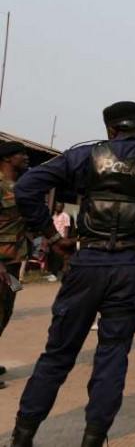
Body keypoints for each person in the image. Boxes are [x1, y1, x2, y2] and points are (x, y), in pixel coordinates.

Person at [10, 101, 135, 447]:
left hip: (86, 264)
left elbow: (26, 187)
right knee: (112, 356)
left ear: (110, 129)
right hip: (131, 268)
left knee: (58, 354)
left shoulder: (85, 156)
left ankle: (22, 437)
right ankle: (93, 439)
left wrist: (53, 237)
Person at [0, 141, 30, 391]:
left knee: (5, 310)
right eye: (22, 154)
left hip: (12, 262)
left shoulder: (18, 187)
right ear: (8, 158)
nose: (26, 158)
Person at [46, 202, 70, 282]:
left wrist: (65, 239)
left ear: (63, 207)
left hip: (60, 238)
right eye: (57, 206)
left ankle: (55, 275)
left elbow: (66, 228)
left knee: (57, 257)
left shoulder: (65, 216)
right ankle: (52, 273)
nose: (58, 207)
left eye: (60, 206)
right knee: (52, 256)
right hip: (53, 238)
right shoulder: (54, 216)